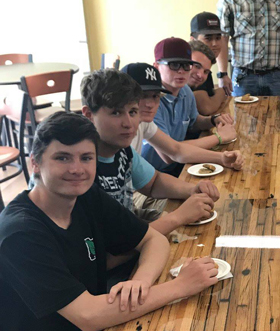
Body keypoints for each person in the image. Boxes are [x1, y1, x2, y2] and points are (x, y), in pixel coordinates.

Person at [0, 112, 219, 331]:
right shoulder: (20, 233)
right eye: (62, 158)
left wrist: (139, 283)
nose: (76, 169)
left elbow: (153, 240)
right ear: (36, 163)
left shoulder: (86, 196)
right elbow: (88, 316)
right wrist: (180, 286)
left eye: (86, 158)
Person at [81, 69, 219, 233]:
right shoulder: (81, 172)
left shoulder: (122, 150)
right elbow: (113, 252)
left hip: (131, 226)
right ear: (89, 114)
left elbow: (153, 183)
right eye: (116, 112)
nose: (129, 123)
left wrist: (192, 190)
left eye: (133, 112)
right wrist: (178, 217)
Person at [122, 62, 243, 214]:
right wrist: (179, 217)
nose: (150, 103)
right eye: (141, 96)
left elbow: (175, 152)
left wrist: (221, 158)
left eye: (155, 96)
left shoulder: (143, 123)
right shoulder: (107, 145)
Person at [141, 37, 236, 176]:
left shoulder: (184, 90)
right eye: (174, 65)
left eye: (186, 65)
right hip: (152, 175)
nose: (181, 71)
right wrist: (219, 137)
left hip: (180, 165)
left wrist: (213, 120)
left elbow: (193, 122)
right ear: (156, 67)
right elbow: (169, 154)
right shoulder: (149, 102)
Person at [189, 12, 231, 113]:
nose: (215, 44)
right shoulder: (193, 66)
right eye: (208, 38)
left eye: (218, 38)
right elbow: (206, 107)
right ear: (193, 40)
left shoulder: (206, 67)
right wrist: (222, 91)